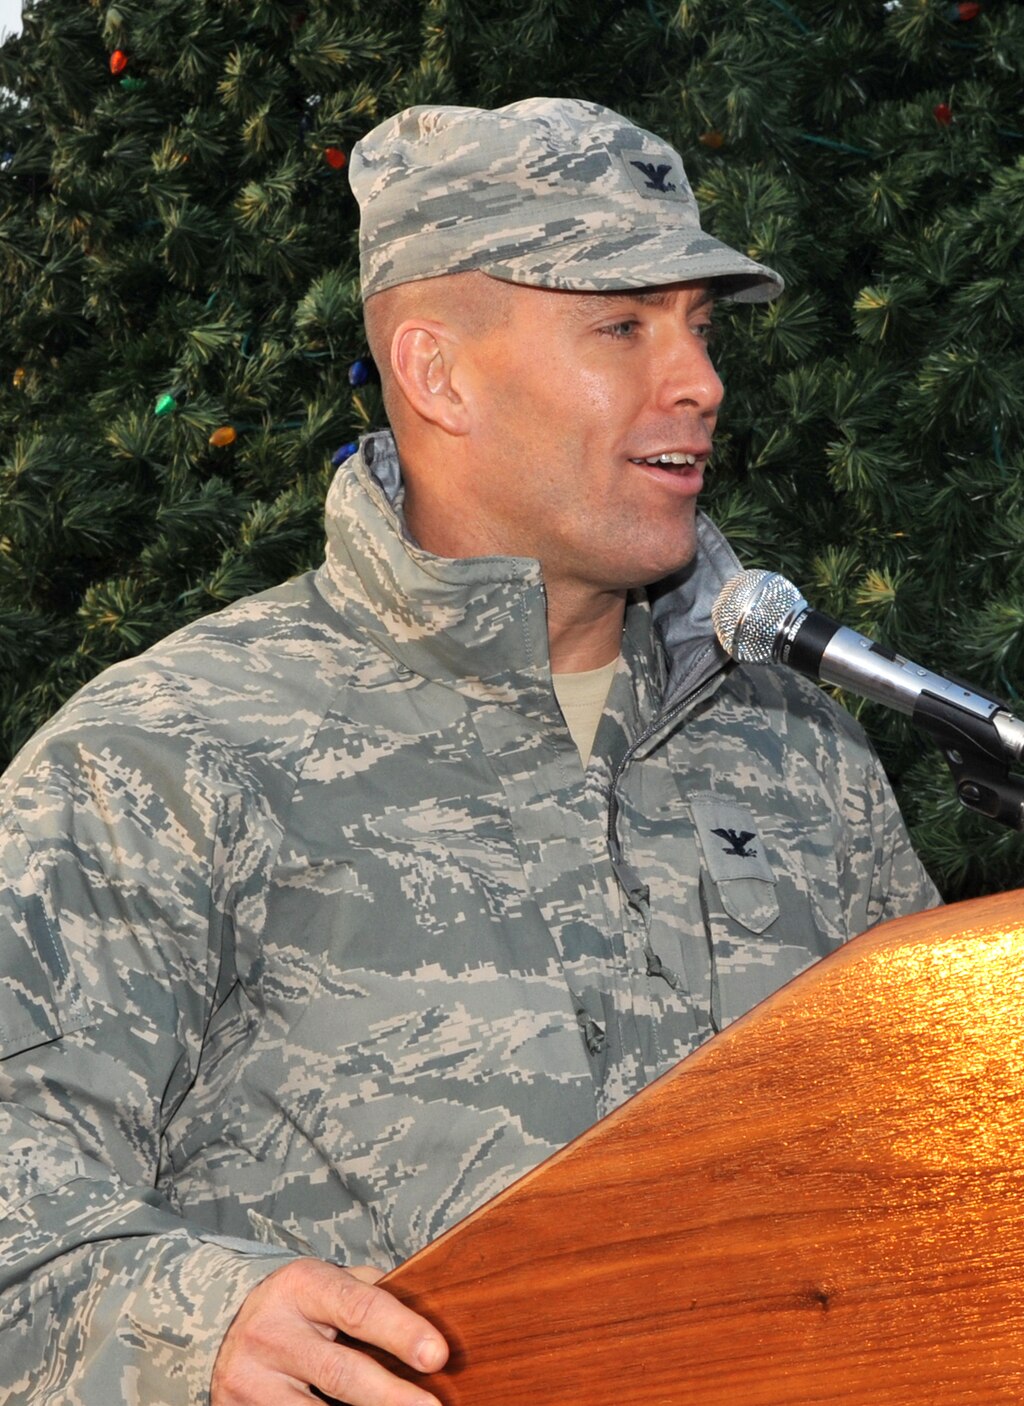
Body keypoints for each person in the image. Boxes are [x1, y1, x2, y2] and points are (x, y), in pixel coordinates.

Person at [0, 97, 938, 1406]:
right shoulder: (163, 760)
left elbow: (947, 1176)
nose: (702, 383)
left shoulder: (802, 759)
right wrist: (189, 1324)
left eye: (700, 325)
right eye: (624, 324)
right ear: (438, 373)